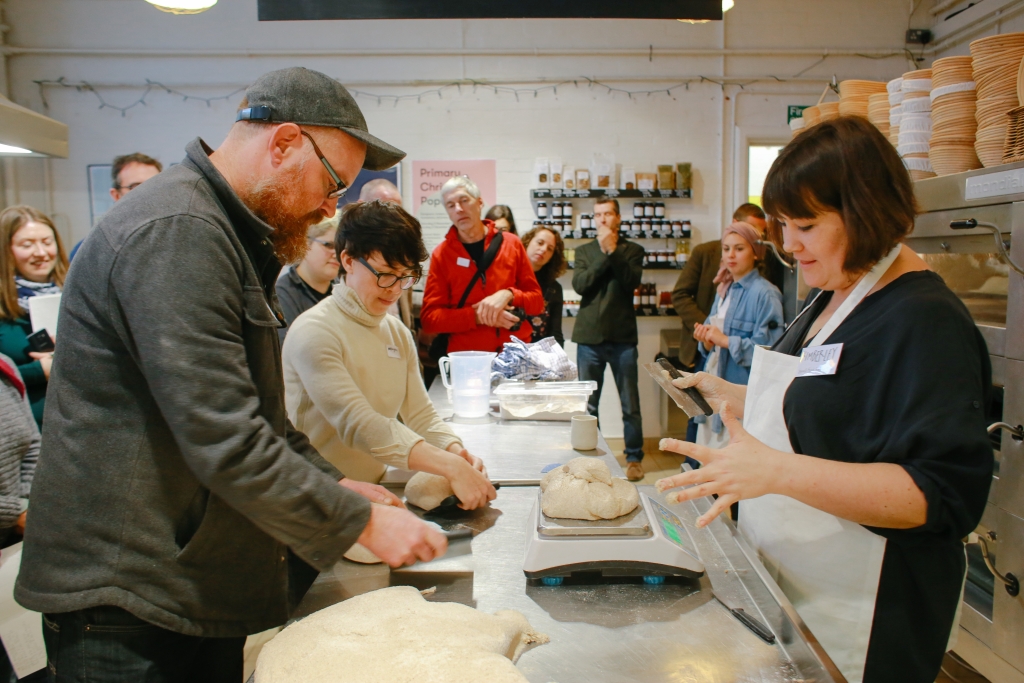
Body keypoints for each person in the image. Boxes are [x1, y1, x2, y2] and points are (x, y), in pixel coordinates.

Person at [16, 67, 448, 683]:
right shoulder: (178, 231)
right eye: (333, 184)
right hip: (129, 597)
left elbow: (260, 418)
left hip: (183, 582)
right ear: (283, 143)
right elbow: (222, 434)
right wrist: (360, 522)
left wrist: (333, 484)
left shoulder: (222, 232)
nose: (331, 208)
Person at [658, 116, 993, 683]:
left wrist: (776, 471)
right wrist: (735, 396)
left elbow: (937, 496)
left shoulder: (924, 322)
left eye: (807, 225)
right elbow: (828, 400)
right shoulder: (834, 293)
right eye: (783, 225)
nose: (789, 246)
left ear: (868, 211)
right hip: (793, 585)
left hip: (864, 615)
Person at [283, 201, 497, 510]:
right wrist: (447, 466)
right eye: (385, 275)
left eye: (406, 276)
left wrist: (456, 451)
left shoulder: (396, 332)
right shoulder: (315, 331)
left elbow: (420, 414)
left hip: (374, 490)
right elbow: (357, 424)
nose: (395, 290)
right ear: (348, 260)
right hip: (315, 497)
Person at [421, 176, 543, 354]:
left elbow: (537, 303)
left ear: (479, 203)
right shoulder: (442, 255)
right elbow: (430, 320)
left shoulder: (512, 244)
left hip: (515, 354)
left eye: (464, 200)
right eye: (451, 205)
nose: (459, 209)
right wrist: (478, 316)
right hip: (469, 359)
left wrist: (508, 294)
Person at [571, 198, 646, 481]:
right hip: (589, 339)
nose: (602, 219)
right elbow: (581, 285)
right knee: (589, 405)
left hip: (623, 339)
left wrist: (614, 250)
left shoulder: (633, 250)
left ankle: (635, 457)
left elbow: (630, 282)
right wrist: (604, 253)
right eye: (598, 214)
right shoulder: (584, 251)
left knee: (630, 404)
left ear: (617, 218)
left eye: (607, 214)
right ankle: (589, 456)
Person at [692, 220, 783, 448]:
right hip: (713, 391)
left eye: (739, 248)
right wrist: (706, 339)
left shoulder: (766, 294)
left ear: (756, 252)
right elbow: (712, 339)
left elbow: (770, 352)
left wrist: (725, 340)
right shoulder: (725, 289)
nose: (731, 255)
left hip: (740, 400)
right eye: (726, 249)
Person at [0, 206, 67, 428]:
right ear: (6, 251)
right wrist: (39, 371)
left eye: (47, 242)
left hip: (76, 426)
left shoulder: (76, 292)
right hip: (25, 433)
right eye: (27, 245)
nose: (40, 252)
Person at [69, 152, 163, 261]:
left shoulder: (178, 239)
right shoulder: (92, 249)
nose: (148, 192)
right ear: (116, 195)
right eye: (136, 187)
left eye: (155, 185)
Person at [356, 178, 414, 329]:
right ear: (361, 207)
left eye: (397, 211)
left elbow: (405, 313)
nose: (391, 219)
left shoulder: (403, 255)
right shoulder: (347, 255)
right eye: (384, 209)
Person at [275, 214, 341, 342]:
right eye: (328, 245)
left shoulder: (343, 291)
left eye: (341, 248)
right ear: (306, 243)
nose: (336, 254)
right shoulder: (282, 295)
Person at [520, 224, 566, 345]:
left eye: (550, 249)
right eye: (540, 243)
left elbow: (555, 333)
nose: (544, 249)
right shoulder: (509, 277)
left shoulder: (554, 288)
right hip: (507, 350)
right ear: (527, 242)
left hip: (539, 354)